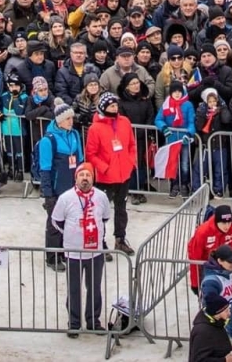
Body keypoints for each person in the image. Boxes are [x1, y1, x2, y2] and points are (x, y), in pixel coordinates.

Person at [50, 163, 110, 337]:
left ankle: (93, 321)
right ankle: (74, 324)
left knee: (94, 288)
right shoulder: (65, 198)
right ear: (75, 178)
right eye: (81, 175)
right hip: (73, 253)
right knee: (74, 289)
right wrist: (72, 234)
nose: (85, 178)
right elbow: (57, 221)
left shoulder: (101, 197)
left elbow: (105, 218)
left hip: (95, 252)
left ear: (93, 178)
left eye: (88, 175)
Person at [86, 91, 136, 254]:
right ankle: (100, 241)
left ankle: (120, 239)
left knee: (121, 210)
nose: (115, 108)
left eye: (116, 105)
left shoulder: (125, 122)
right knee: (101, 212)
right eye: (112, 106)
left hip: (123, 175)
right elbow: (91, 154)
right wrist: (104, 168)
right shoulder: (95, 128)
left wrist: (130, 163)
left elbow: (131, 145)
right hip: (105, 178)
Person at [187, 203, 232, 291]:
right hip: (206, 267)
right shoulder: (203, 232)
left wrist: (231, 270)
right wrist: (195, 283)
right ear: (217, 221)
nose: (227, 226)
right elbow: (195, 258)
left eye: (229, 222)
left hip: (224, 266)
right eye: (223, 223)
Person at [190, 288, 232, 362]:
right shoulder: (202, 332)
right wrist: (225, 360)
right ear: (217, 313)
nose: (229, 313)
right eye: (226, 311)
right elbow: (198, 360)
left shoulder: (217, 322)